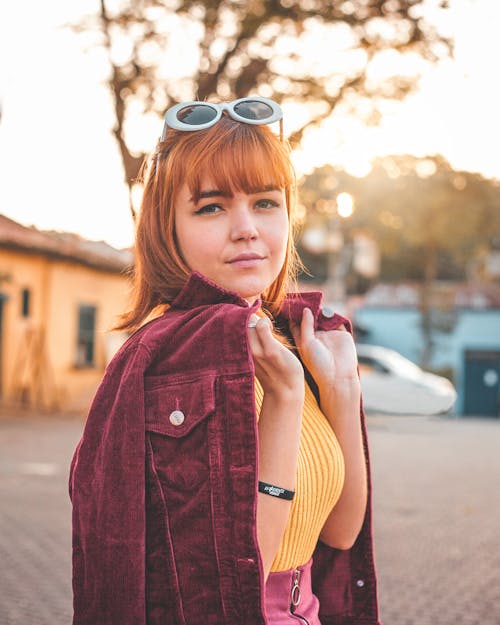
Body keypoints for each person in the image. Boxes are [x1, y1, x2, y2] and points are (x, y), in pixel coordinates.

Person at [69, 97, 381, 625]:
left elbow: (340, 533)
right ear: (168, 228)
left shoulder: (292, 342)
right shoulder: (162, 360)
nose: (247, 229)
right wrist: (282, 400)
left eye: (265, 202)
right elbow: (233, 581)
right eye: (211, 207)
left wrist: (342, 389)